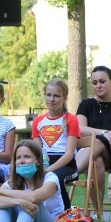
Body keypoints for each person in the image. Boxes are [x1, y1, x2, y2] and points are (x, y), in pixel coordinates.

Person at [75, 66, 111, 202]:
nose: (98, 85)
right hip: (91, 154)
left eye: (102, 81)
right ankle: (97, 213)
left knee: (97, 141)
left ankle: (72, 172)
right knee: (97, 163)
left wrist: (103, 137)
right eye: (94, 83)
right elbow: (80, 128)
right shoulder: (86, 104)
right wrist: (104, 133)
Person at [32, 78, 80, 209]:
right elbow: (36, 152)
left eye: (56, 96)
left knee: (55, 178)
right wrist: (40, 168)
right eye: (48, 95)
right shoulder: (37, 121)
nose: (51, 99)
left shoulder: (71, 120)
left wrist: (47, 170)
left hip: (67, 165)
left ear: (64, 97)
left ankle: (65, 215)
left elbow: (69, 154)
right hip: (45, 162)